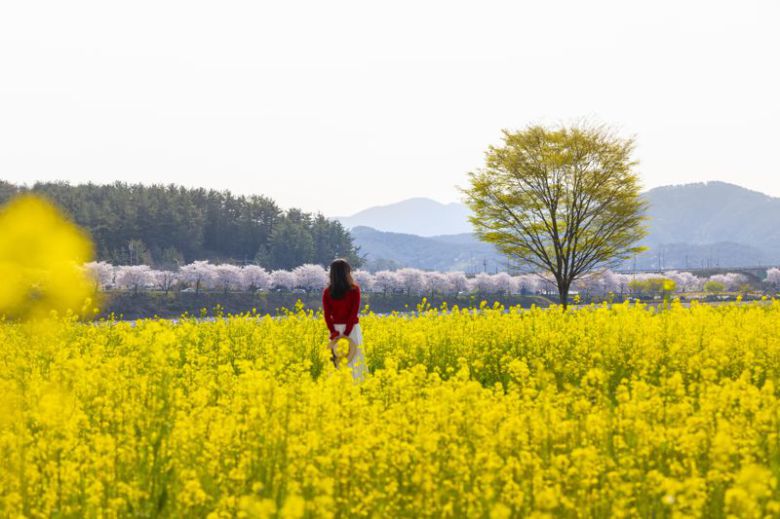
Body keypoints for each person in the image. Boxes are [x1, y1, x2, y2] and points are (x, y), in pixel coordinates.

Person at [322, 258, 366, 381]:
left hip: (336, 330)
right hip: (352, 330)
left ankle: (337, 385)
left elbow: (327, 315)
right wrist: (346, 334)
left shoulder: (327, 292)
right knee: (354, 357)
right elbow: (353, 313)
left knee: (337, 359)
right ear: (347, 272)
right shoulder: (354, 289)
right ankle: (357, 384)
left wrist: (333, 333)